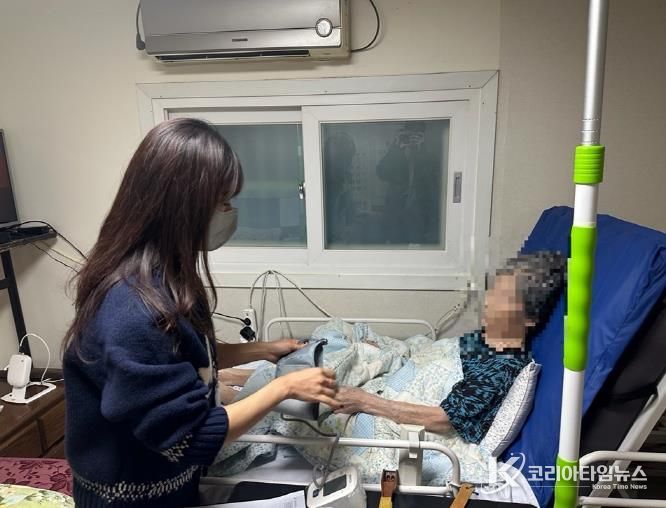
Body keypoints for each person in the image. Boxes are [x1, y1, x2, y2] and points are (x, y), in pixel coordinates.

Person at [62, 118, 339, 508]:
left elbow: (183, 358)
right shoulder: (131, 309)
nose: (229, 212)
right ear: (182, 205)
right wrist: (284, 388)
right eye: (222, 201)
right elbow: (189, 439)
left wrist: (262, 350)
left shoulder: (168, 276)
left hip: (170, 485)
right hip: (131, 498)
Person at [333, 251, 566, 444]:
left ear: (529, 318)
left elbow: (441, 419)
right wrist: (386, 352)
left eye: (503, 299)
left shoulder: (501, 367)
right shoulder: (485, 338)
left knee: (323, 412)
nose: (488, 302)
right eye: (493, 291)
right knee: (337, 336)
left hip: (401, 418)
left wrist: (365, 401)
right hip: (394, 380)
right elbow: (431, 356)